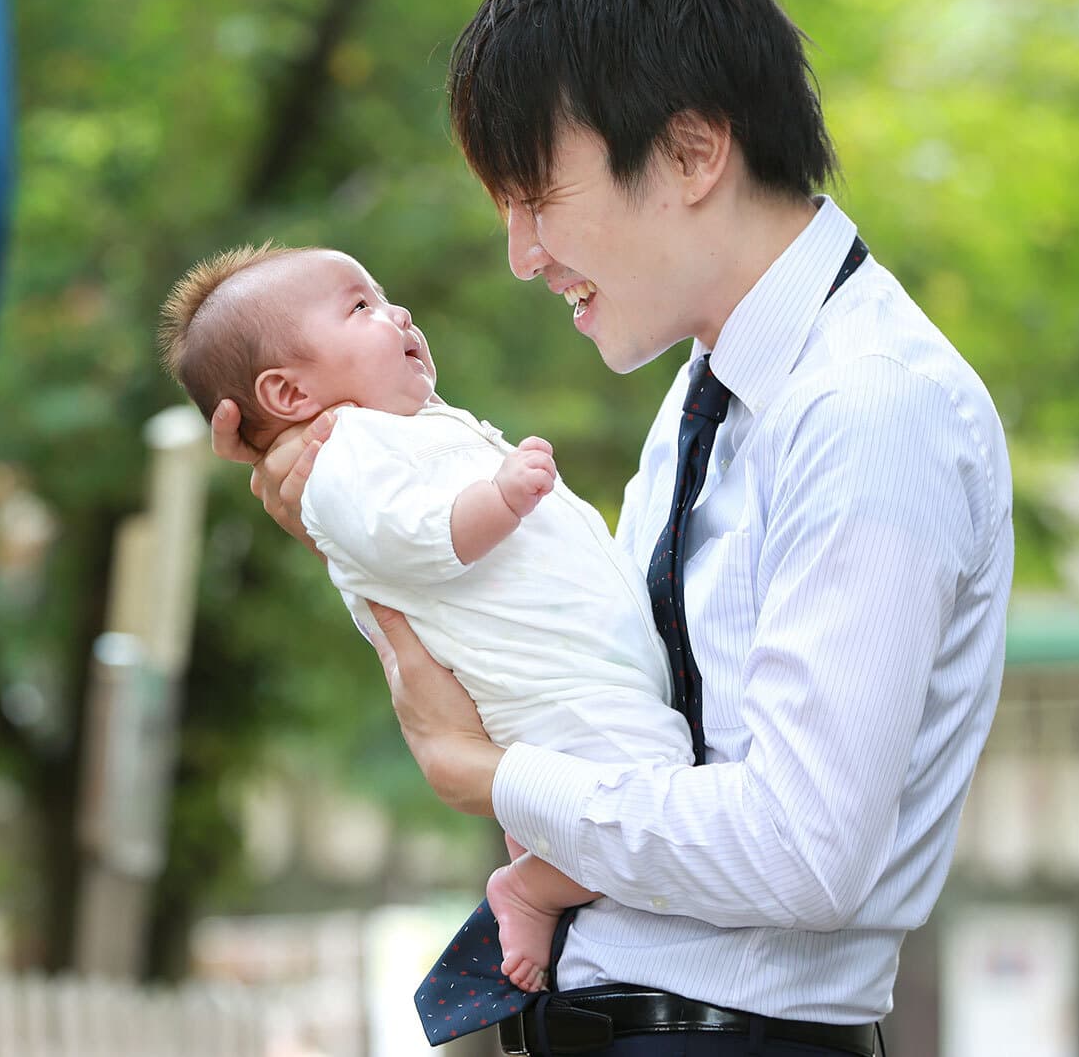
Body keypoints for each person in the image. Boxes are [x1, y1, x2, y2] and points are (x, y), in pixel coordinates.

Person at [210, 0, 1013, 1057]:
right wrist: (366, 499)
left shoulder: (867, 404)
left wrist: (485, 773)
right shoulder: (716, 395)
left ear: (691, 152)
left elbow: (802, 851)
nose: (520, 255)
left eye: (535, 195)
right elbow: (605, 689)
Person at [158, 242, 694, 999]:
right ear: (286, 390)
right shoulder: (339, 453)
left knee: (641, 776)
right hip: (541, 685)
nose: (398, 313)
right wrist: (500, 499)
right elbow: (413, 537)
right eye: (360, 307)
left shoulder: (401, 427)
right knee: (652, 787)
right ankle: (534, 886)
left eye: (386, 295)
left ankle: (545, 870)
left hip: (582, 664)